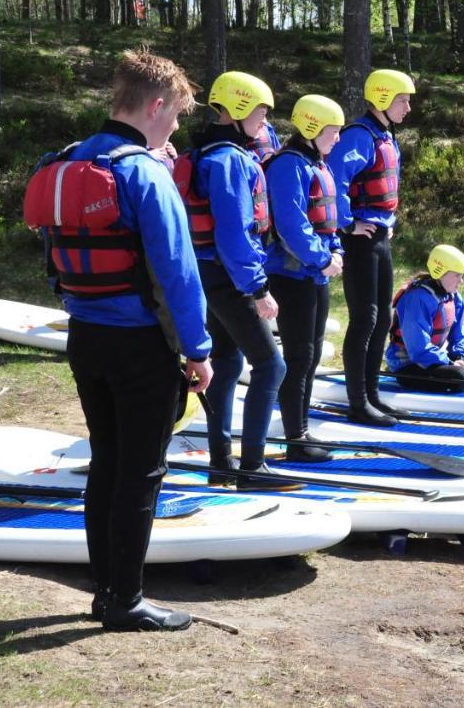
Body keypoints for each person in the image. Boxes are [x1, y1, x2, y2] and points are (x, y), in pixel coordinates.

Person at [22, 49, 212, 632]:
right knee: (140, 472)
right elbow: (178, 273)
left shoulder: (69, 159)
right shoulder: (144, 173)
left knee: (107, 464)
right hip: (139, 348)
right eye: (177, 113)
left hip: (86, 338)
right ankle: (125, 602)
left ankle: (106, 592)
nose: (177, 125)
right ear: (155, 106)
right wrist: (198, 350)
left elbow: (56, 258)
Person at [173, 71, 287, 488]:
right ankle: (252, 467)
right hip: (228, 277)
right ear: (238, 110)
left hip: (203, 275)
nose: (264, 121)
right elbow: (234, 234)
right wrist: (257, 289)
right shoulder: (231, 160)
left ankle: (220, 466)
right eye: (260, 111)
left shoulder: (199, 153)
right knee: (271, 365)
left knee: (224, 363)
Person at [326, 68, 415, 426]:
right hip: (360, 241)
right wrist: (348, 223)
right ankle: (357, 402)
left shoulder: (384, 135)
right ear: (381, 98)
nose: (408, 107)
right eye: (403, 100)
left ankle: (373, 393)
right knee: (365, 319)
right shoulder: (359, 136)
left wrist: (387, 224)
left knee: (383, 318)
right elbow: (333, 179)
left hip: (379, 237)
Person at [265, 94, 347, 460]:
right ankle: (295, 437)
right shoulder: (289, 165)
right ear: (313, 128)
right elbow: (291, 224)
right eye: (333, 130)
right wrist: (322, 258)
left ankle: (302, 430)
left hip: (316, 276)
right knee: (299, 356)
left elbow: (331, 220)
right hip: (291, 277)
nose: (338, 138)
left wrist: (336, 252)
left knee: (311, 356)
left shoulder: (318, 163)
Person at [385, 244, 464, 393]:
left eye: (462, 275)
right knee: (459, 376)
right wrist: (449, 363)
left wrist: (459, 357)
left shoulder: (454, 297)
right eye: (457, 275)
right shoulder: (417, 299)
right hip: (408, 362)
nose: (461, 281)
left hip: (434, 358)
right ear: (440, 272)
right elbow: (418, 348)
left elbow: (458, 336)